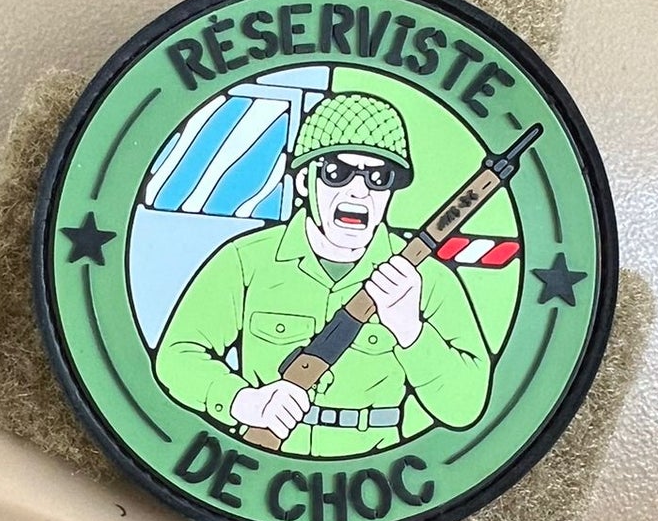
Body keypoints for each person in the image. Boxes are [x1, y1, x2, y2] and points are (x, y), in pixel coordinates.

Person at [153, 90, 492, 453]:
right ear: (304, 181)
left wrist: (411, 330)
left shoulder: (427, 280)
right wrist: (244, 402)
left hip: (373, 465)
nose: (359, 191)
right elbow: (177, 356)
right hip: (263, 460)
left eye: (378, 177)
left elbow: (467, 406)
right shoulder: (245, 262)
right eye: (337, 173)